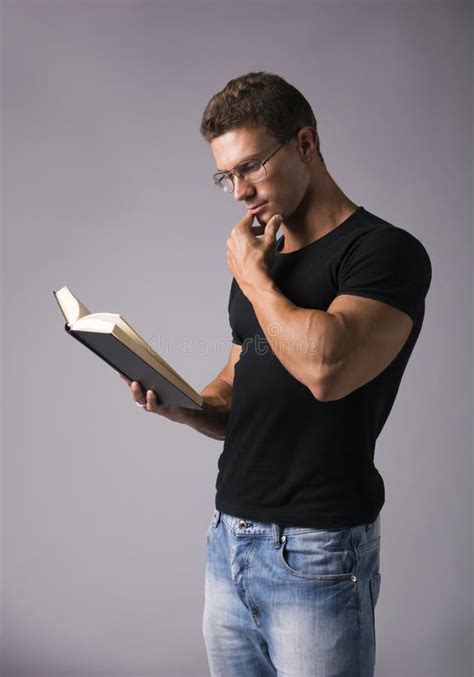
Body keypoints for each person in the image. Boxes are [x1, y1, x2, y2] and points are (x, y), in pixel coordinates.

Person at [119, 72, 432, 676]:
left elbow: (324, 368)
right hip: (229, 538)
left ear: (306, 144)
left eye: (251, 167)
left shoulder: (383, 252)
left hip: (316, 549)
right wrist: (182, 404)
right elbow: (238, 388)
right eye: (226, 176)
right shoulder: (263, 256)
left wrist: (254, 279)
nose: (238, 192)